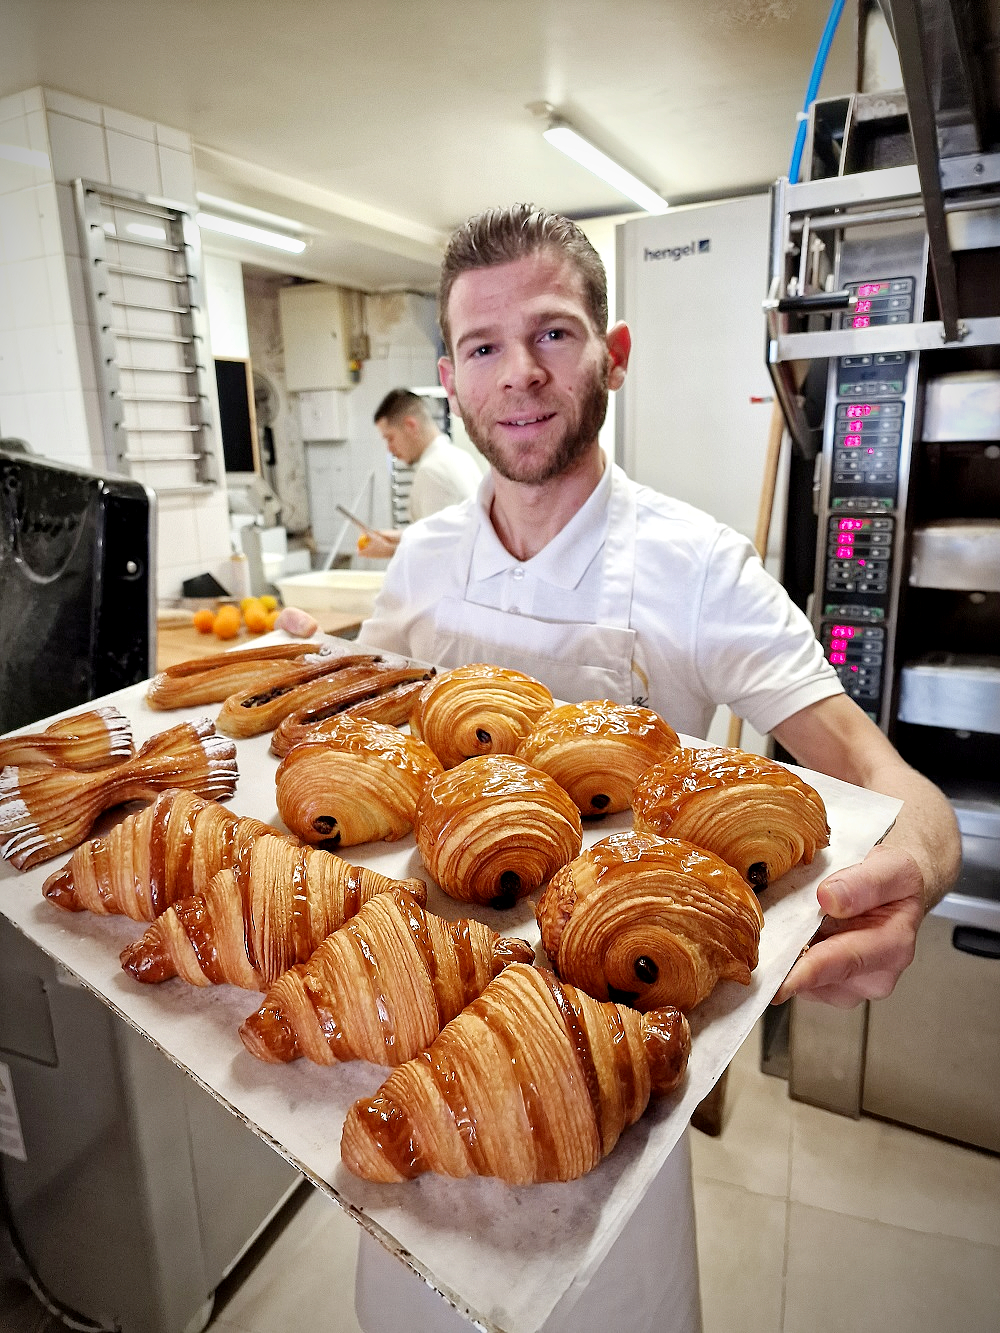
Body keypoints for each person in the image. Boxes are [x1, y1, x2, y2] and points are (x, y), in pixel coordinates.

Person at [277, 204, 961, 1333]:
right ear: (452, 378)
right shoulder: (430, 559)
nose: (521, 377)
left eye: (553, 334)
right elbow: (375, 731)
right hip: (416, 1050)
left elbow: (895, 791)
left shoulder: (696, 567)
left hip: (608, 1062)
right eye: (486, 348)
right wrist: (312, 679)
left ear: (615, 354)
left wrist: (920, 872)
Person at [356, 388, 482, 558]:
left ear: (410, 426)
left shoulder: (432, 471)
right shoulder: (458, 457)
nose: (389, 449)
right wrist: (399, 537)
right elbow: (445, 531)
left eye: (390, 438)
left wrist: (390, 550)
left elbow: (442, 552)